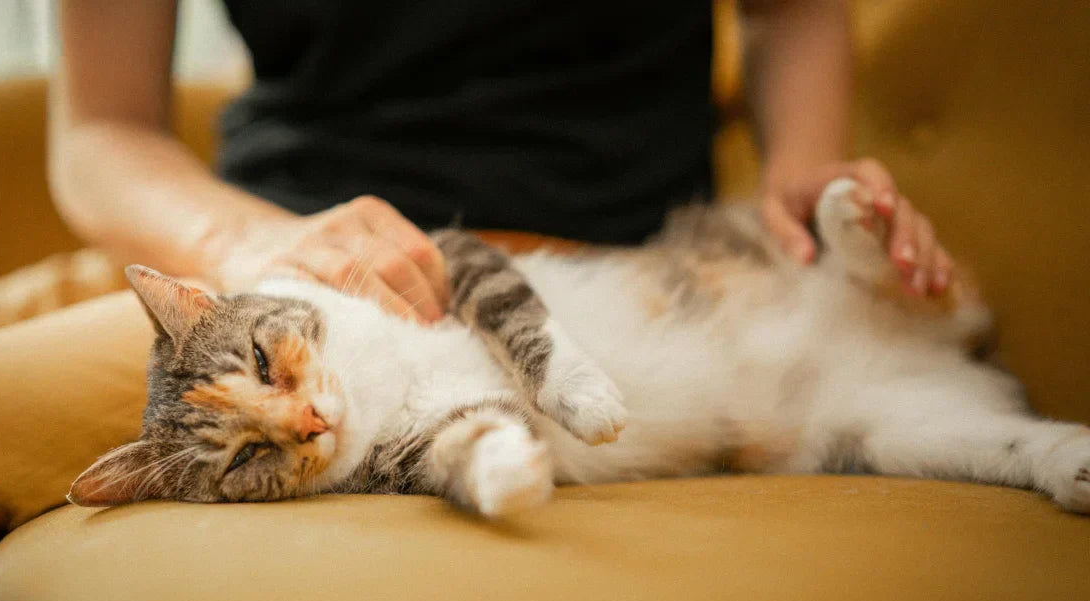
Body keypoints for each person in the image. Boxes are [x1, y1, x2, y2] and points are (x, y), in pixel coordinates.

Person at [49, 0, 953, 325]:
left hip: (593, 261)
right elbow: (99, 130)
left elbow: (785, 7)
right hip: (257, 252)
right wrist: (243, 243)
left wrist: (802, 158)